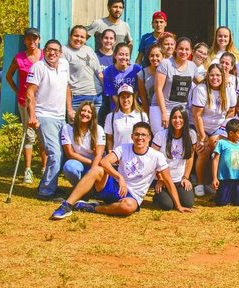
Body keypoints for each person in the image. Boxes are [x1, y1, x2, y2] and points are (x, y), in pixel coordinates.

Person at [50, 122, 192, 219]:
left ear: (149, 138)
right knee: (97, 170)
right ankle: (67, 205)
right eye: (136, 134)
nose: (140, 138)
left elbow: (168, 181)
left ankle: (95, 207)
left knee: (128, 207)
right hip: (116, 187)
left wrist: (178, 206)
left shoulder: (157, 156)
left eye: (143, 135)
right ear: (132, 136)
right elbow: (104, 161)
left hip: (132, 196)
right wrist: (119, 177)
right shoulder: (124, 148)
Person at [26, 39, 72, 201]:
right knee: (55, 153)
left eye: (55, 51)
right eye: (49, 50)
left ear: (60, 53)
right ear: (44, 51)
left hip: (60, 117)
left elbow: (66, 87)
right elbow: (30, 93)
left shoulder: (65, 65)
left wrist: (69, 109)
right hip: (44, 116)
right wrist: (32, 116)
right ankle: (45, 192)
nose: (52, 53)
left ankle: (48, 184)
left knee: (62, 154)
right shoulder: (38, 67)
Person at [5, 28, 45, 183]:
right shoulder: (19, 58)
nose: (32, 42)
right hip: (25, 102)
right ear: (25, 41)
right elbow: (8, 76)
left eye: (34, 39)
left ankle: (44, 167)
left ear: (39, 40)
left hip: (42, 101)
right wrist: (17, 91)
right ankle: (27, 170)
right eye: (29, 39)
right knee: (28, 135)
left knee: (43, 135)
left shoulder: (44, 56)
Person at [192, 64, 237, 196]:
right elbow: (197, 115)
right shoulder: (201, 89)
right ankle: (200, 183)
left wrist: (222, 129)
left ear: (222, 76)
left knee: (219, 148)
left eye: (218, 75)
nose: (215, 78)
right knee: (203, 150)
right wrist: (202, 137)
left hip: (220, 127)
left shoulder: (229, 89)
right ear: (207, 76)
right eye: (212, 75)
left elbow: (232, 111)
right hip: (201, 127)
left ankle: (214, 182)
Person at [151, 105, 196, 211]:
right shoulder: (160, 135)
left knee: (188, 203)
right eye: (174, 117)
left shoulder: (191, 134)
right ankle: (159, 196)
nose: (177, 120)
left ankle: (173, 194)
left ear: (185, 119)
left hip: (179, 179)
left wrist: (186, 177)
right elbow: (152, 159)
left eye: (180, 117)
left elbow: (190, 157)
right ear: (170, 119)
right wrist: (160, 179)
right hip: (164, 178)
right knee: (167, 206)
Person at [150, 37, 199, 135]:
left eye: (187, 49)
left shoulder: (192, 66)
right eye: (181, 48)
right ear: (175, 49)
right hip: (161, 108)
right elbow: (158, 89)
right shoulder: (166, 64)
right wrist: (164, 113)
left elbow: (202, 83)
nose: (183, 52)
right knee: (161, 139)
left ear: (191, 51)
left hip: (182, 110)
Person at [61, 101, 105, 187]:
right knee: (69, 167)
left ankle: (91, 188)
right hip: (78, 162)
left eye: (89, 112)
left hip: (95, 163)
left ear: (93, 116)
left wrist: (93, 168)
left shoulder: (99, 129)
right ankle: (80, 189)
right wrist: (90, 162)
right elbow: (70, 154)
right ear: (78, 112)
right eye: (83, 110)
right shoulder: (67, 128)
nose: (85, 114)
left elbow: (98, 155)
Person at [62, 25, 102, 117]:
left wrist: (107, 93)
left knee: (95, 129)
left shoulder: (89, 50)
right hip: (78, 97)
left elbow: (99, 73)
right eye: (76, 35)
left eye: (82, 37)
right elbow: (64, 81)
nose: (79, 39)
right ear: (70, 36)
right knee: (78, 129)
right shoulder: (64, 51)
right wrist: (69, 108)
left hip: (97, 96)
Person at [211, 118, 239, 206]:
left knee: (238, 203)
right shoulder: (221, 143)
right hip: (225, 178)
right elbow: (215, 160)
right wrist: (215, 178)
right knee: (222, 203)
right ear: (231, 133)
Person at [104, 84, 149, 152]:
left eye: (128, 97)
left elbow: (146, 138)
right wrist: (111, 154)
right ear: (119, 99)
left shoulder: (142, 116)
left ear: (133, 98)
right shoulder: (111, 116)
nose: (125, 100)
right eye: (123, 97)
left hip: (137, 155)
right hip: (118, 156)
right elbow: (109, 139)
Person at [102, 43, 141, 111]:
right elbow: (112, 93)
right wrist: (123, 108)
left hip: (134, 107)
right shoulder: (108, 71)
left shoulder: (136, 69)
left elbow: (138, 90)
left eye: (127, 55)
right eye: (121, 54)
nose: (124, 57)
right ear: (115, 55)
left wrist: (131, 107)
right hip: (117, 108)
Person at [95, 29, 116, 124]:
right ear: (101, 39)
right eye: (106, 38)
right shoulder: (94, 56)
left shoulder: (117, 57)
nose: (108, 41)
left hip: (113, 96)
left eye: (111, 38)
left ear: (115, 41)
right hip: (99, 96)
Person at [137, 44, 163, 114]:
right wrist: (148, 113)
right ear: (148, 57)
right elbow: (143, 96)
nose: (154, 58)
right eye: (152, 55)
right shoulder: (142, 74)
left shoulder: (167, 72)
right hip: (152, 109)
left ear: (163, 57)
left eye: (157, 55)